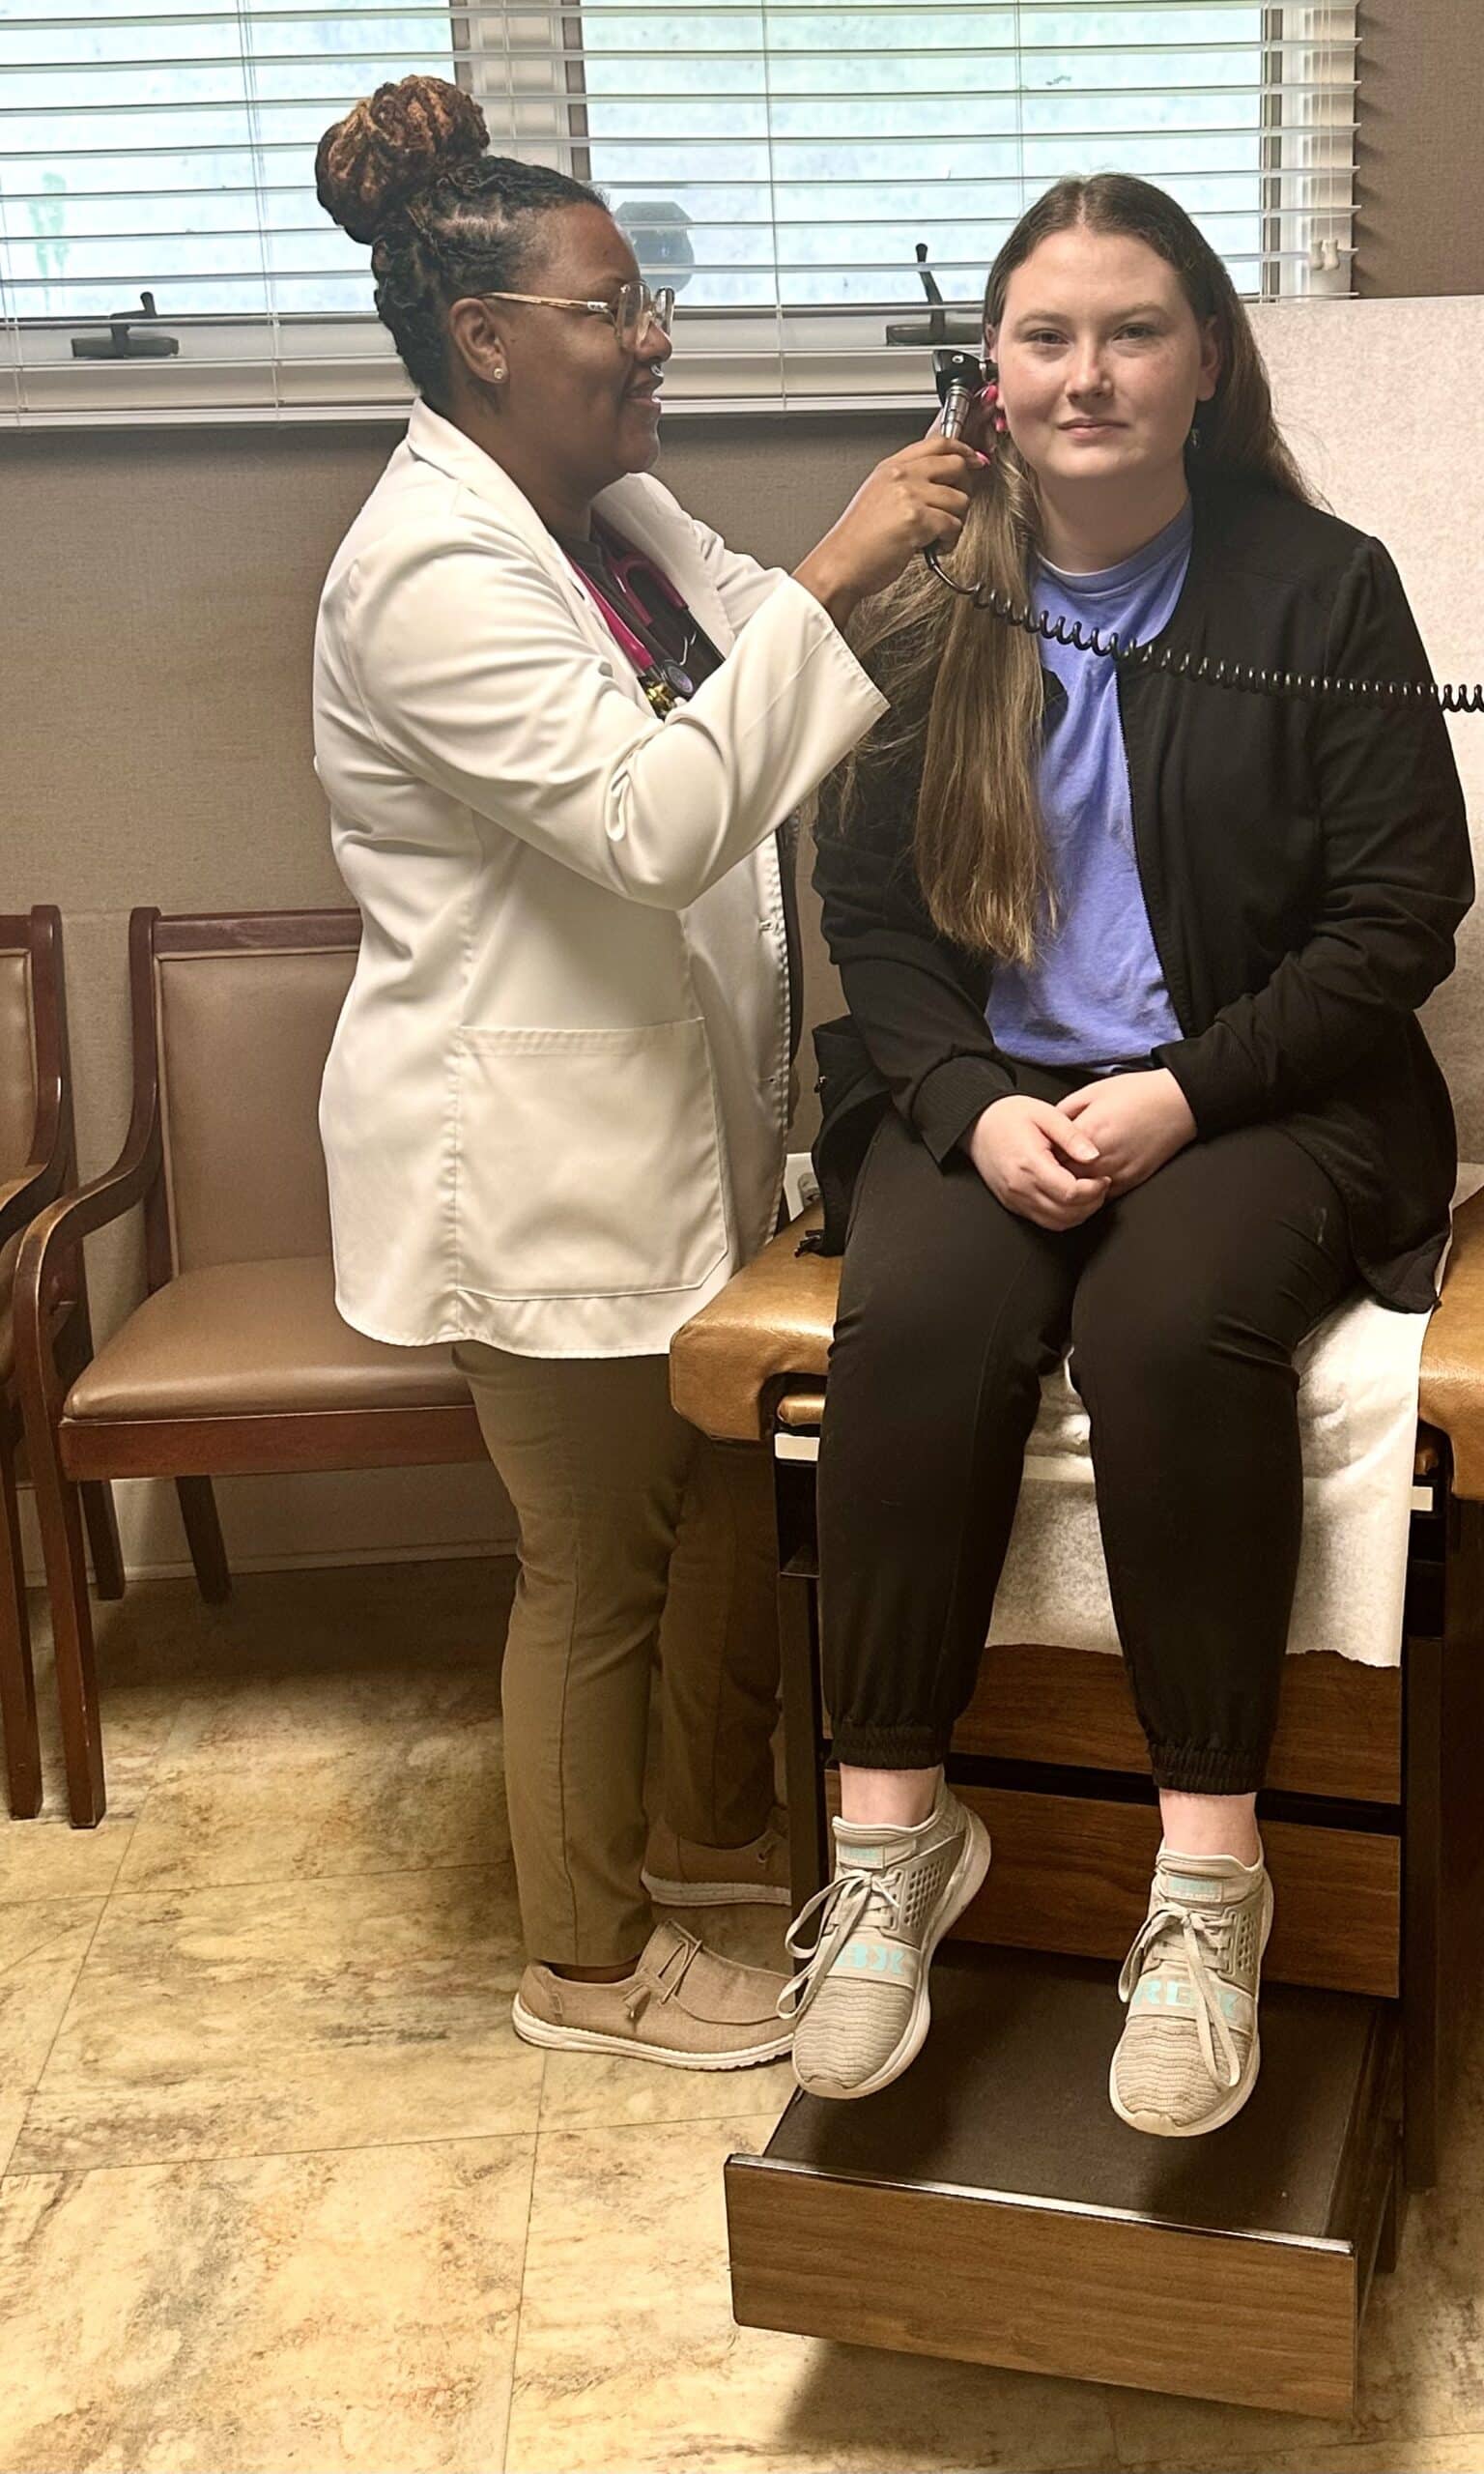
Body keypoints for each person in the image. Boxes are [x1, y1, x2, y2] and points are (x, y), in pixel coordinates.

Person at [783, 173, 1471, 2134]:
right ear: (987, 377)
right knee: (915, 1324)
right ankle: (895, 1843)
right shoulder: (936, 596)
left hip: (1259, 1095)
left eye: (1134, 330)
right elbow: (874, 914)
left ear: (1207, 362)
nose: (1088, 374)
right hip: (993, 1085)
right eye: (1048, 337)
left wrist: (1182, 1091)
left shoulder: (1319, 588)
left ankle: (1208, 1878)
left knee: (1166, 1331)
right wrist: (971, 1105)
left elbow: (1401, 911)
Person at [310, 75, 986, 2070]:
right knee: (596, 1564)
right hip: (526, 1155)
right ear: (487, 339)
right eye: (614, 307)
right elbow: (647, 820)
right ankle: (584, 1965)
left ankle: (705, 1845)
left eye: (647, 301)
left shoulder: (603, 519)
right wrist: (849, 564)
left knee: (721, 1508)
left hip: (669, 1126)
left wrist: (942, 533)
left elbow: (767, 653)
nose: (652, 338)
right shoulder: (426, 571)